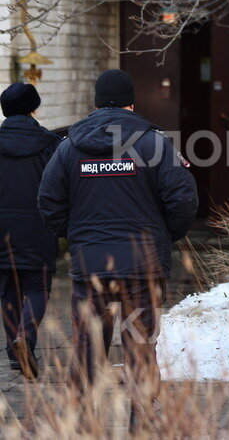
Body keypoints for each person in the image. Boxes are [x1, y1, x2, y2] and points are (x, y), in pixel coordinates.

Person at [38, 69, 197, 429]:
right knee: (140, 342)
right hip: (143, 264)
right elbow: (184, 199)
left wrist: (77, 237)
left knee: (87, 342)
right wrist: (162, 237)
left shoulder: (68, 147)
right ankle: (141, 416)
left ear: (95, 104)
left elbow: (48, 200)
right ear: (132, 103)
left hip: (90, 263)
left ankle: (81, 415)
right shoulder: (155, 144)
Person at [0, 82, 61, 379]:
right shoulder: (50, 143)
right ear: (33, 108)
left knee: (9, 291)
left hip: (1, 230)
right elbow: (59, 189)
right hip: (38, 227)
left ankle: (15, 356)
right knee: (37, 289)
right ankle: (25, 337)